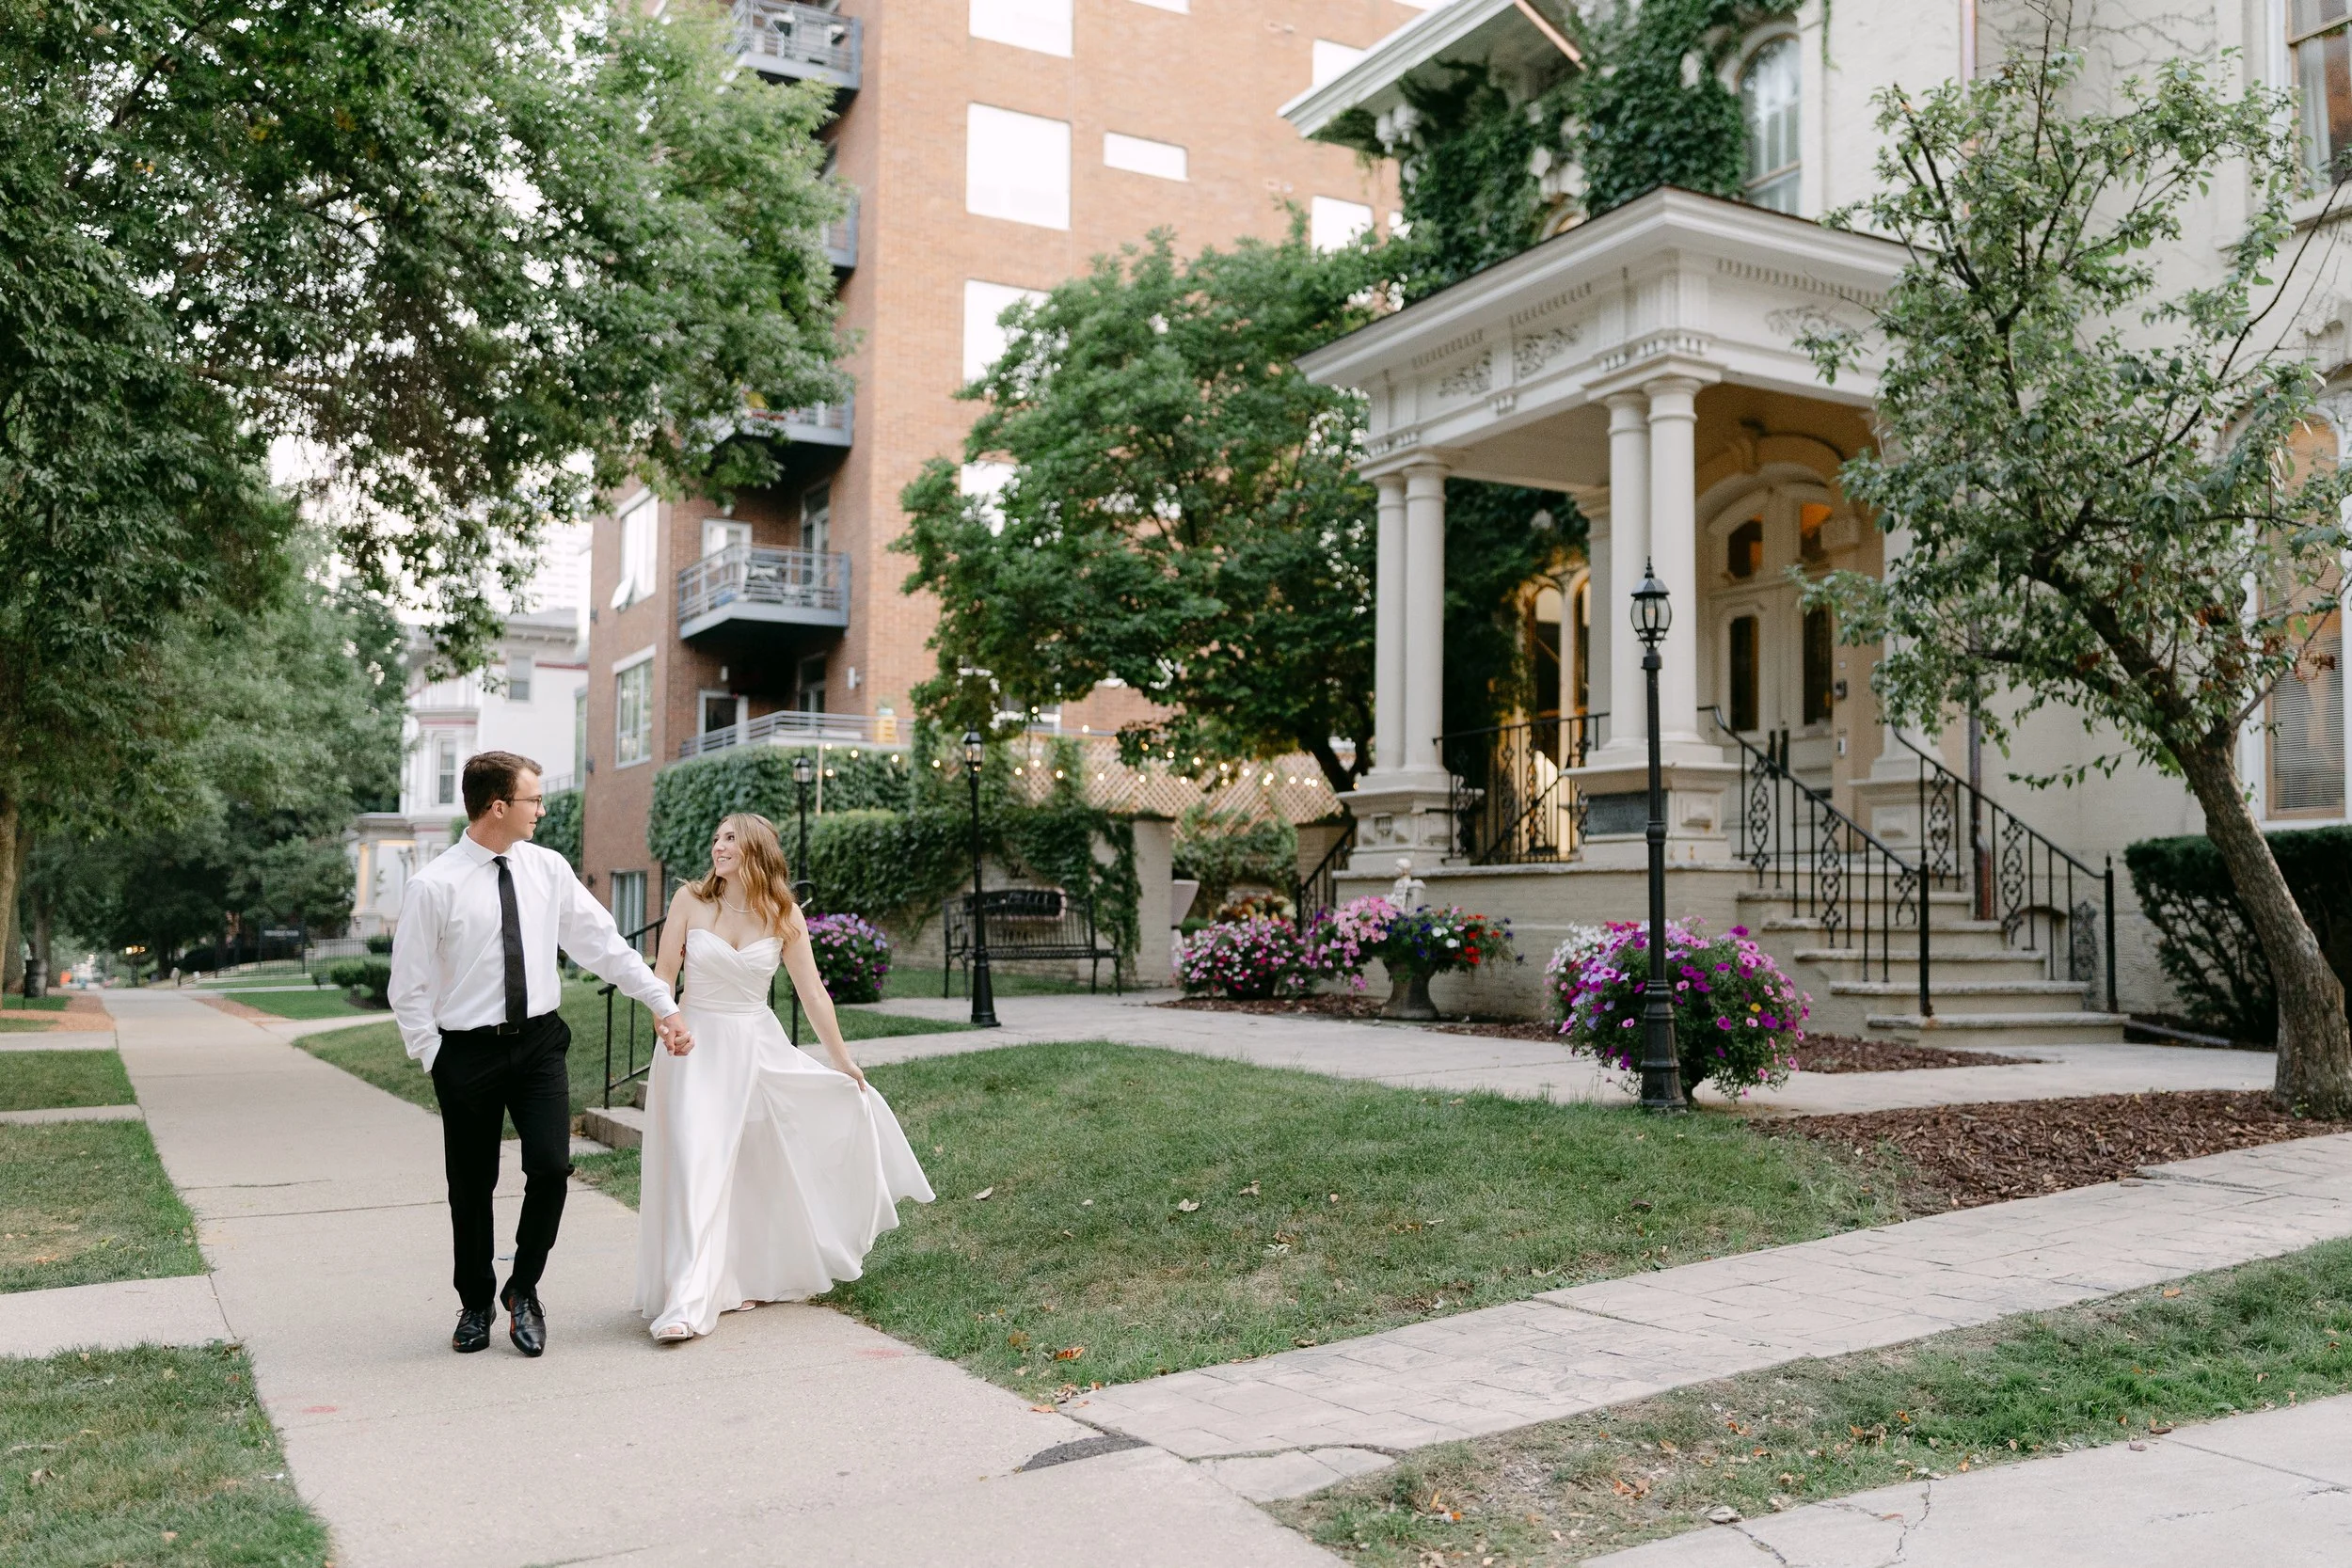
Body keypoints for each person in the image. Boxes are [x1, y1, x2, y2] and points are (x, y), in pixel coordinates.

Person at [389, 750, 691, 1357]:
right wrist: (436, 1059)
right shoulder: (434, 885)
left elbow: (604, 946)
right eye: (533, 799)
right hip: (466, 1054)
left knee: (551, 1167)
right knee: (471, 1186)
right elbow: (409, 987)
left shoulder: (547, 869)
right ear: (498, 806)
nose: (542, 809)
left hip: (538, 1045)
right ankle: (475, 1302)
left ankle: (523, 1289)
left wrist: (662, 1001)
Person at [634, 813, 932, 1343]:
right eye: (716, 835)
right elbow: (662, 975)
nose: (717, 844)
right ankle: (686, 1297)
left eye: (729, 837)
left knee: (750, 1163)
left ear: (755, 850)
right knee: (695, 1160)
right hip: (693, 1049)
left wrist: (842, 1061)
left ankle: (742, 1275)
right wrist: (666, 1021)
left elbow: (813, 993)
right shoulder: (688, 901)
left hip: (755, 1049)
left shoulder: (782, 913)